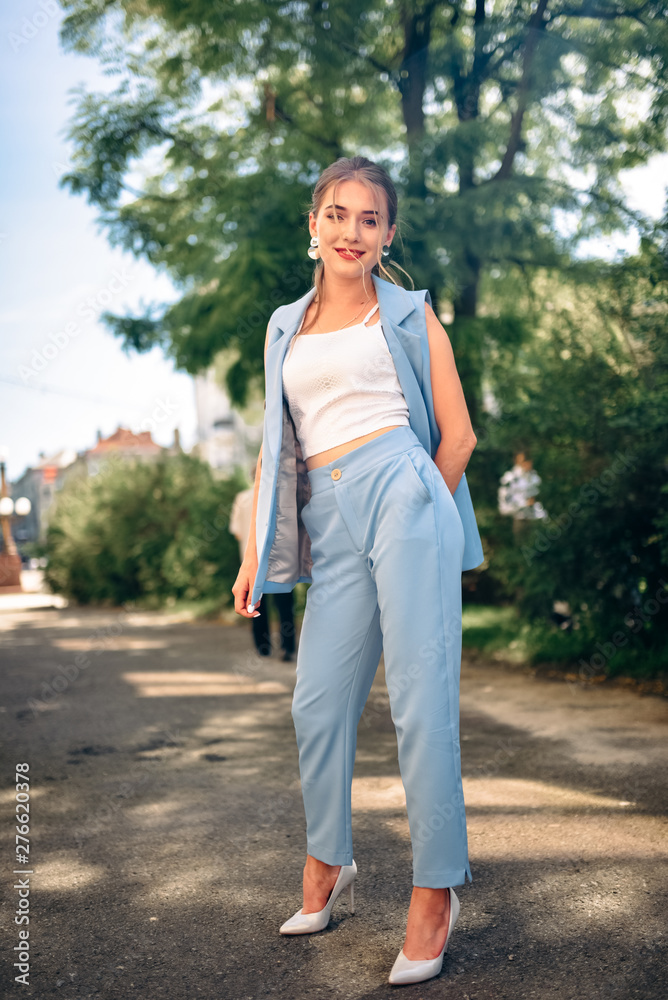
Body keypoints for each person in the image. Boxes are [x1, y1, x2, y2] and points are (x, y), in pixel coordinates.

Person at [232, 156, 484, 986]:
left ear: (387, 236)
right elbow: (276, 447)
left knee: (419, 703)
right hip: (328, 519)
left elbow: (459, 435)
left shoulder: (411, 316)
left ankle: (436, 888)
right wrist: (251, 555)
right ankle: (327, 860)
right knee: (316, 702)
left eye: (369, 219)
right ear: (314, 226)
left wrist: (422, 509)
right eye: (337, 215)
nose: (351, 231)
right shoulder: (283, 326)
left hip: (405, 489)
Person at [229, 464, 295, 660]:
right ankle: (287, 647)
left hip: (251, 566)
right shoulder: (281, 497)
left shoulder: (242, 499)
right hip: (280, 561)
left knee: (256, 607)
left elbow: (238, 533)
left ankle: (263, 647)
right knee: (284, 606)